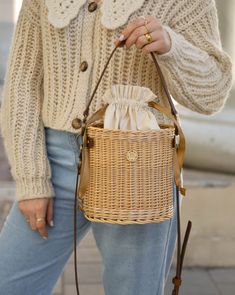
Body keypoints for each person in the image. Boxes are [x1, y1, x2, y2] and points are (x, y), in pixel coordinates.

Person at [0, 0, 232, 294]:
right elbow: (23, 83)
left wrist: (173, 47)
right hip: (53, 159)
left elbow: (212, 93)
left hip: (139, 166)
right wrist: (31, 179)